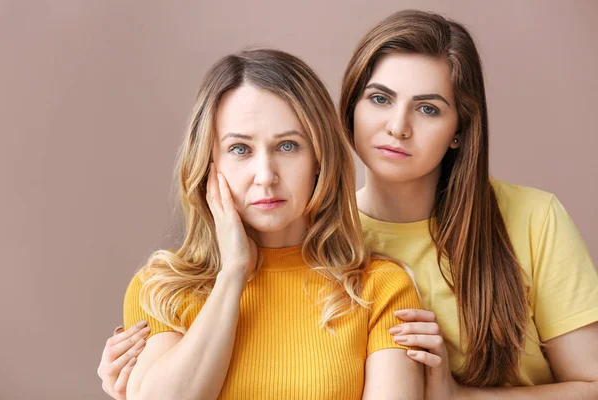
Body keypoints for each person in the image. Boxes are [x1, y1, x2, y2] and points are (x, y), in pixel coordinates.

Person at [98, 10, 598, 399]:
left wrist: (457, 395)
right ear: (347, 111)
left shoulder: (384, 278)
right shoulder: (176, 281)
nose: (397, 127)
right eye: (380, 99)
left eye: (427, 108)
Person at [98, 48, 423, 400]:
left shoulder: (381, 289)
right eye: (240, 149)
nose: (265, 176)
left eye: (287, 146)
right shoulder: (160, 290)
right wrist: (233, 273)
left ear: (319, 158)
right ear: (209, 164)